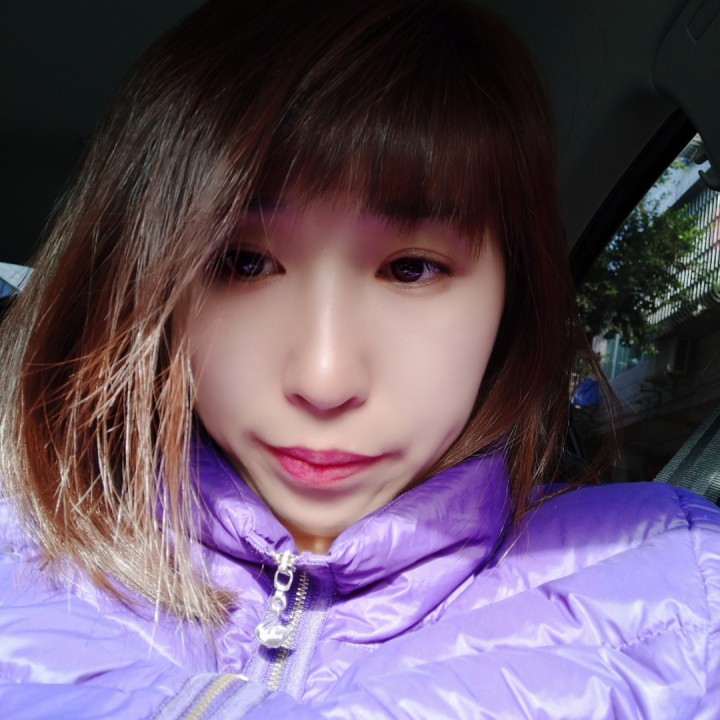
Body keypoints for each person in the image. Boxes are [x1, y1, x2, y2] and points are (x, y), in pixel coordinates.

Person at [1, 0, 718, 717]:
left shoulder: (686, 598)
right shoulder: (19, 544)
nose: (323, 380)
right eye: (244, 262)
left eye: (412, 268)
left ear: (513, 295)